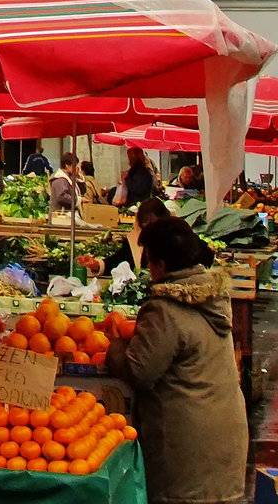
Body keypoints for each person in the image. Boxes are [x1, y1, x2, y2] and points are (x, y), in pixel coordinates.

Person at [106, 216, 247, 504]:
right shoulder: (213, 299)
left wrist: (116, 346)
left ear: (160, 264)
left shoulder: (165, 310)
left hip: (186, 453)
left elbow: (139, 370)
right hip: (224, 449)